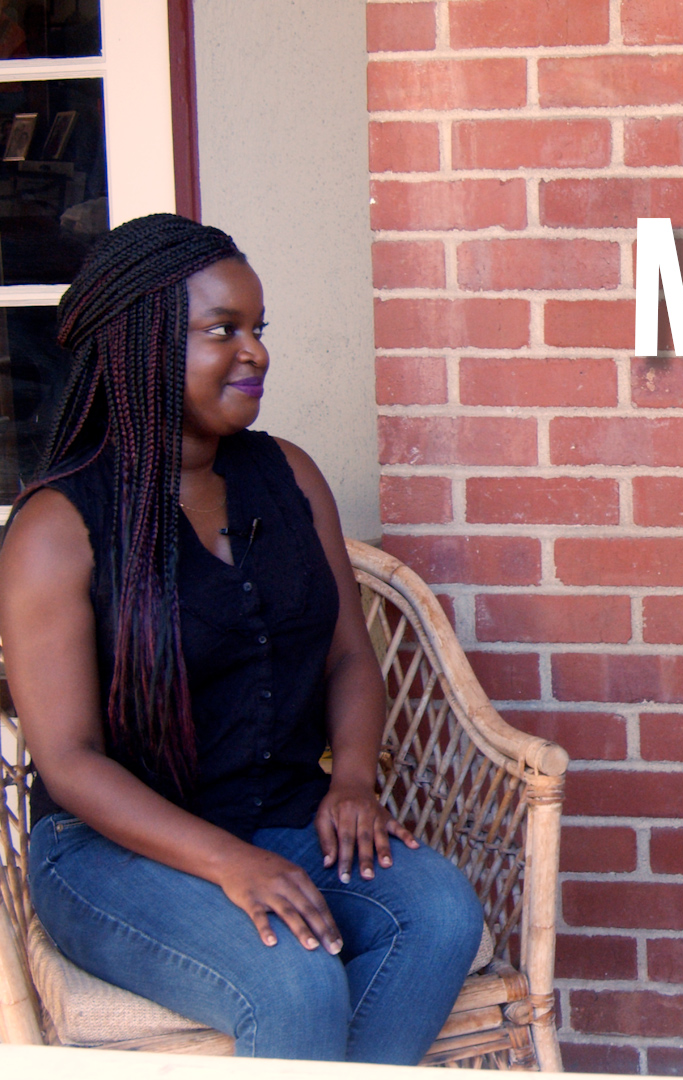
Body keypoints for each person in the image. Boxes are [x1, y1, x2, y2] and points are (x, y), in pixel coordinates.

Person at [0, 214, 483, 1062]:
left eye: (259, 329)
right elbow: (71, 761)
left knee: (440, 913)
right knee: (291, 976)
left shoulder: (287, 474)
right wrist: (228, 862)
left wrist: (356, 783)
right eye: (223, 330)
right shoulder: (59, 525)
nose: (254, 351)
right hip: (115, 854)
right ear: (141, 344)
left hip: (287, 816)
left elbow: (346, 658)